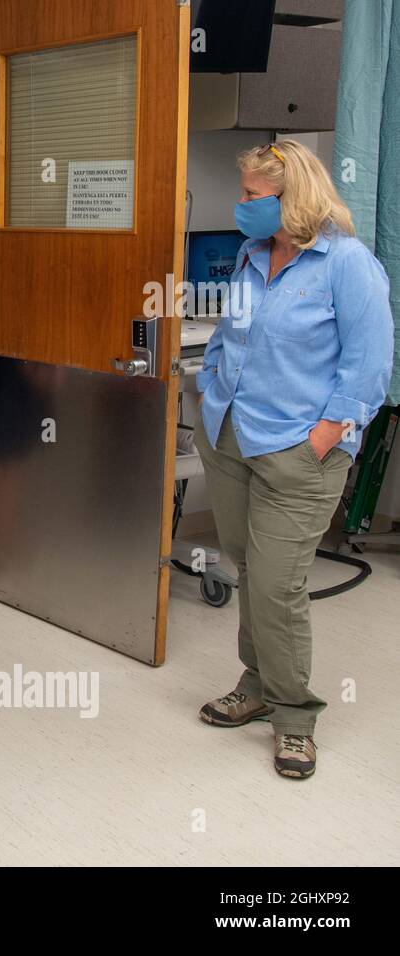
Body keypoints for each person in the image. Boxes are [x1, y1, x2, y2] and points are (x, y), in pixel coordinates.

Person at [194, 140, 393, 779]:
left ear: (292, 196)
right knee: (249, 569)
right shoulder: (253, 256)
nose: (242, 205)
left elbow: (370, 366)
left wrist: (327, 434)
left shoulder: (347, 264)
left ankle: (295, 718)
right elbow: (232, 335)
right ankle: (255, 685)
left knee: (279, 587)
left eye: (253, 195)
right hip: (231, 437)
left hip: (299, 452)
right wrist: (210, 391)